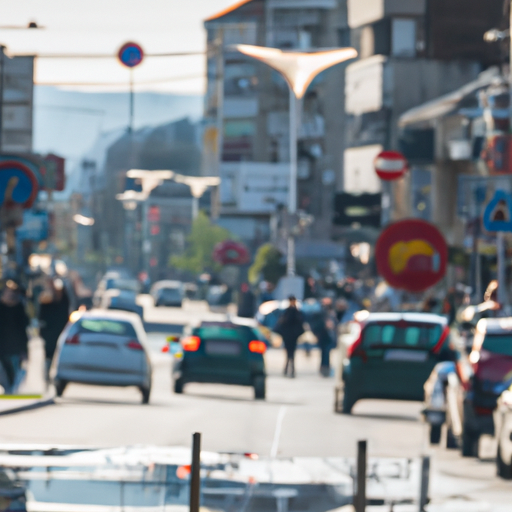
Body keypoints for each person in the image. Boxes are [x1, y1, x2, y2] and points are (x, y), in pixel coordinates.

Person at [0, 281, 29, 394]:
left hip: (15, 346)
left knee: (14, 371)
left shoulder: (19, 307)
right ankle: (8, 389)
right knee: (3, 371)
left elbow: (23, 329)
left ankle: (11, 391)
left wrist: (24, 350)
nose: (10, 295)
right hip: (1, 345)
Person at [38, 278, 70, 380]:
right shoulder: (46, 304)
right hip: (49, 336)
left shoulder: (63, 303)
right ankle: (47, 378)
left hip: (59, 334)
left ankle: (54, 378)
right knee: (48, 357)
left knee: (58, 357)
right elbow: (41, 318)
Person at [275, 295, 304, 378]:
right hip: (289, 335)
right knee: (289, 354)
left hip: (292, 335)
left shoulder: (294, 311)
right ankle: (288, 370)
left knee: (291, 354)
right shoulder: (289, 311)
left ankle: (290, 370)